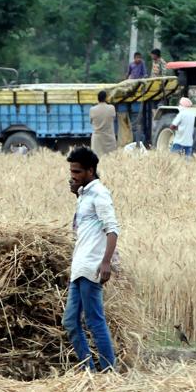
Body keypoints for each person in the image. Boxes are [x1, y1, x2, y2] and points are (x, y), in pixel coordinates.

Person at [64, 147, 119, 372]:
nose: (73, 175)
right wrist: (77, 193)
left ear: (90, 170)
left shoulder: (100, 194)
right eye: (71, 171)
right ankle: (89, 370)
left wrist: (106, 263)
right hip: (79, 267)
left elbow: (112, 230)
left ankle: (108, 371)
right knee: (70, 322)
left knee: (95, 321)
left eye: (77, 171)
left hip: (91, 267)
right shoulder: (85, 194)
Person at [89, 90, 118, 155]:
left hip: (97, 139)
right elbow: (113, 118)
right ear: (106, 98)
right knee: (111, 158)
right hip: (109, 138)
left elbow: (91, 122)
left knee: (97, 159)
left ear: (98, 98)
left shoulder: (92, 109)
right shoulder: (111, 108)